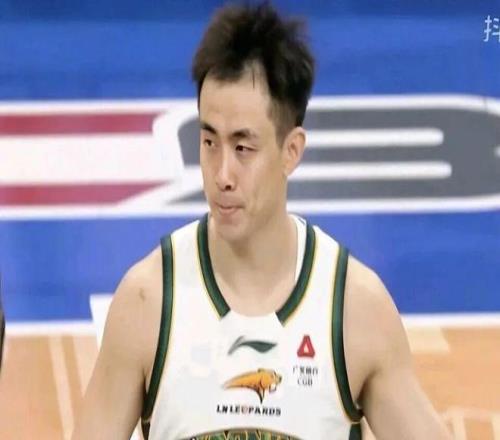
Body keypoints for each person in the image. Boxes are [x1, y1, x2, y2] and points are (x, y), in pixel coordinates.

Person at [72, 3, 451, 439]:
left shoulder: (354, 310)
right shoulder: (148, 303)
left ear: (291, 151)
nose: (222, 174)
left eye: (243, 148)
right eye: (209, 142)